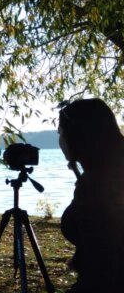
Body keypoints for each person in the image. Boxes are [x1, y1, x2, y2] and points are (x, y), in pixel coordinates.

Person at [58, 98, 124, 293]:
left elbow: (100, 272)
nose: (60, 140)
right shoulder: (105, 174)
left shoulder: (95, 188)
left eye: (60, 133)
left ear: (75, 136)